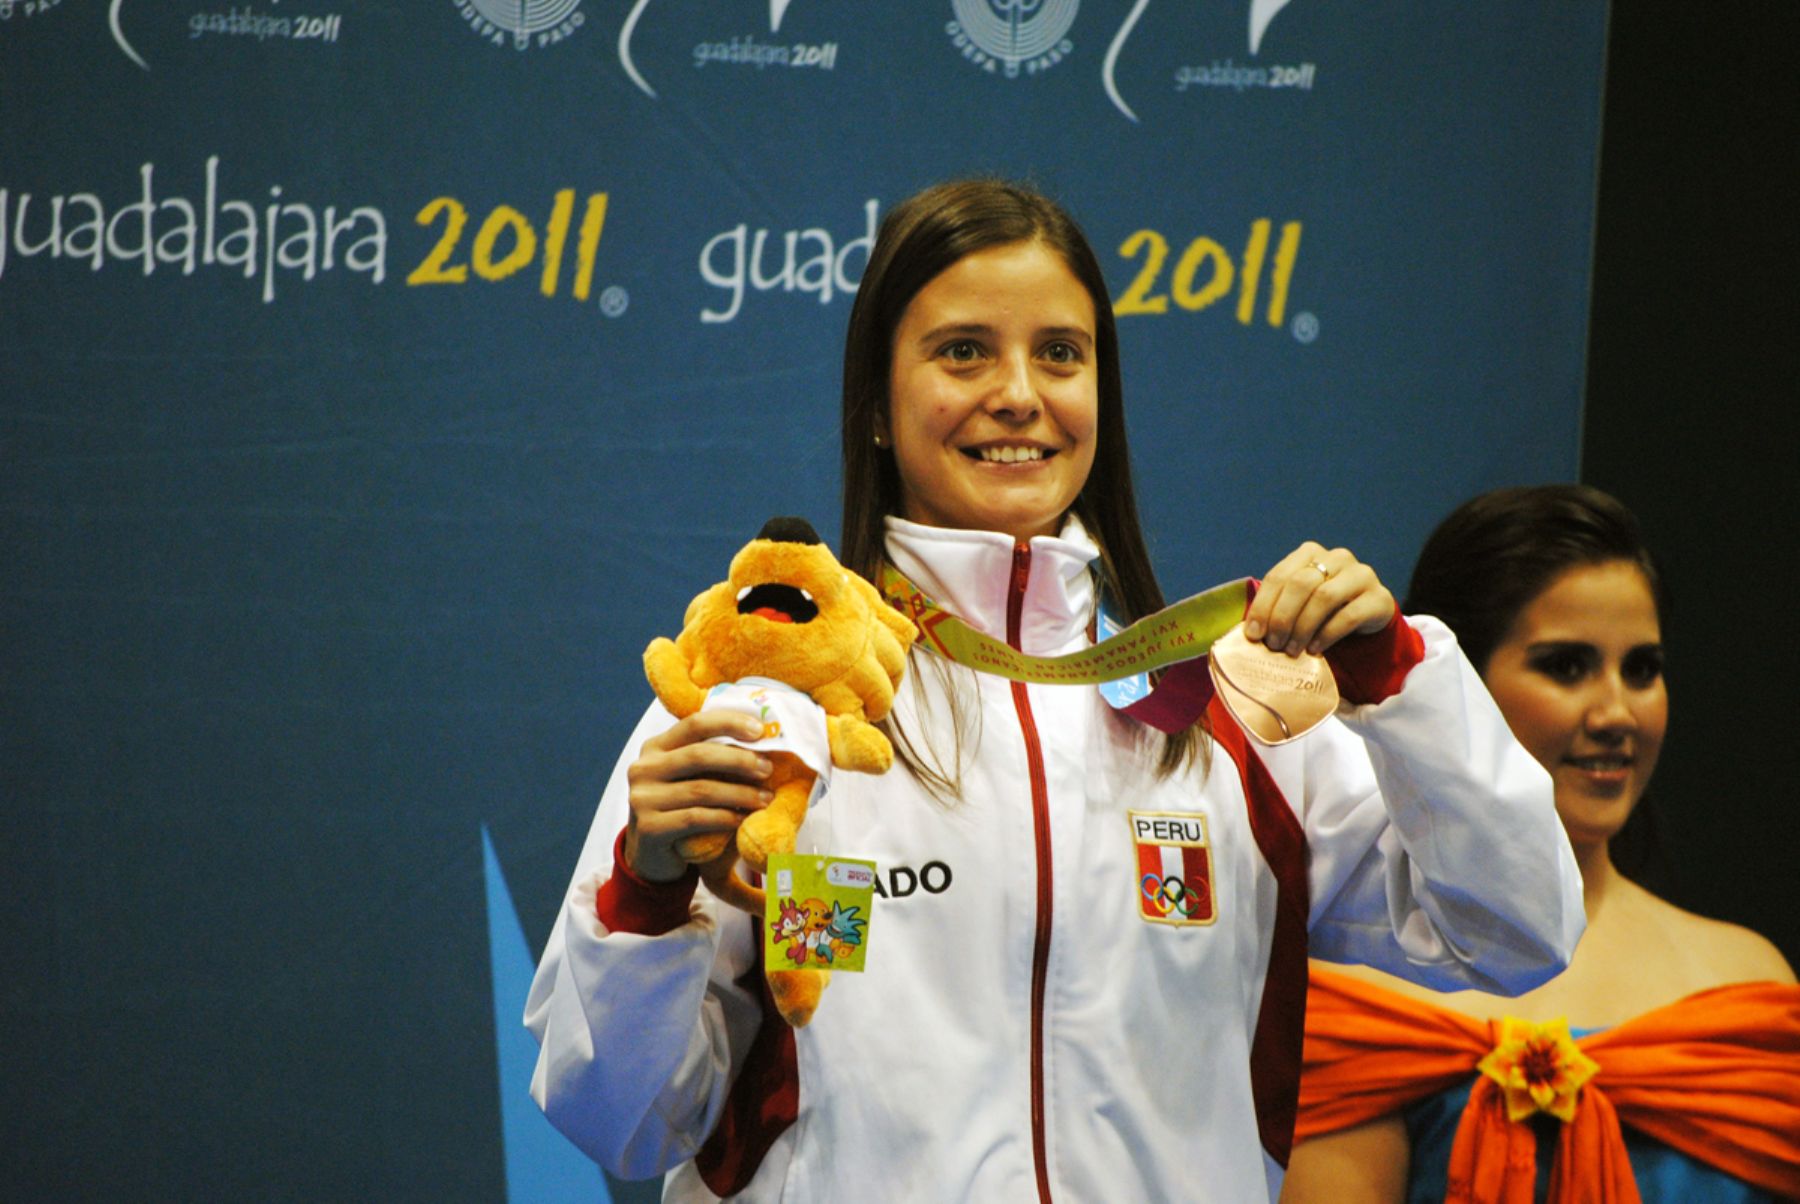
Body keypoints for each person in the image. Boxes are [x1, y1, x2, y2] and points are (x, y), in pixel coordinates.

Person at [525, 180, 1584, 1202]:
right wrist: (649, 888)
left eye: (1061, 355)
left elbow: (1516, 932)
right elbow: (616, 1118)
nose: (1020, 393)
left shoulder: (1240, 716)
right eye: (963, 351)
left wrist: (1400, 678)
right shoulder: (769, 701)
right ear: (880, 409)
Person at [1281, 484, 1800, 1204]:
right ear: (1461, 690)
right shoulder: (1360, 979)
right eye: (1566, 666)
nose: (1618, 711)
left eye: (1642, 669)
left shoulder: (1752, 983)